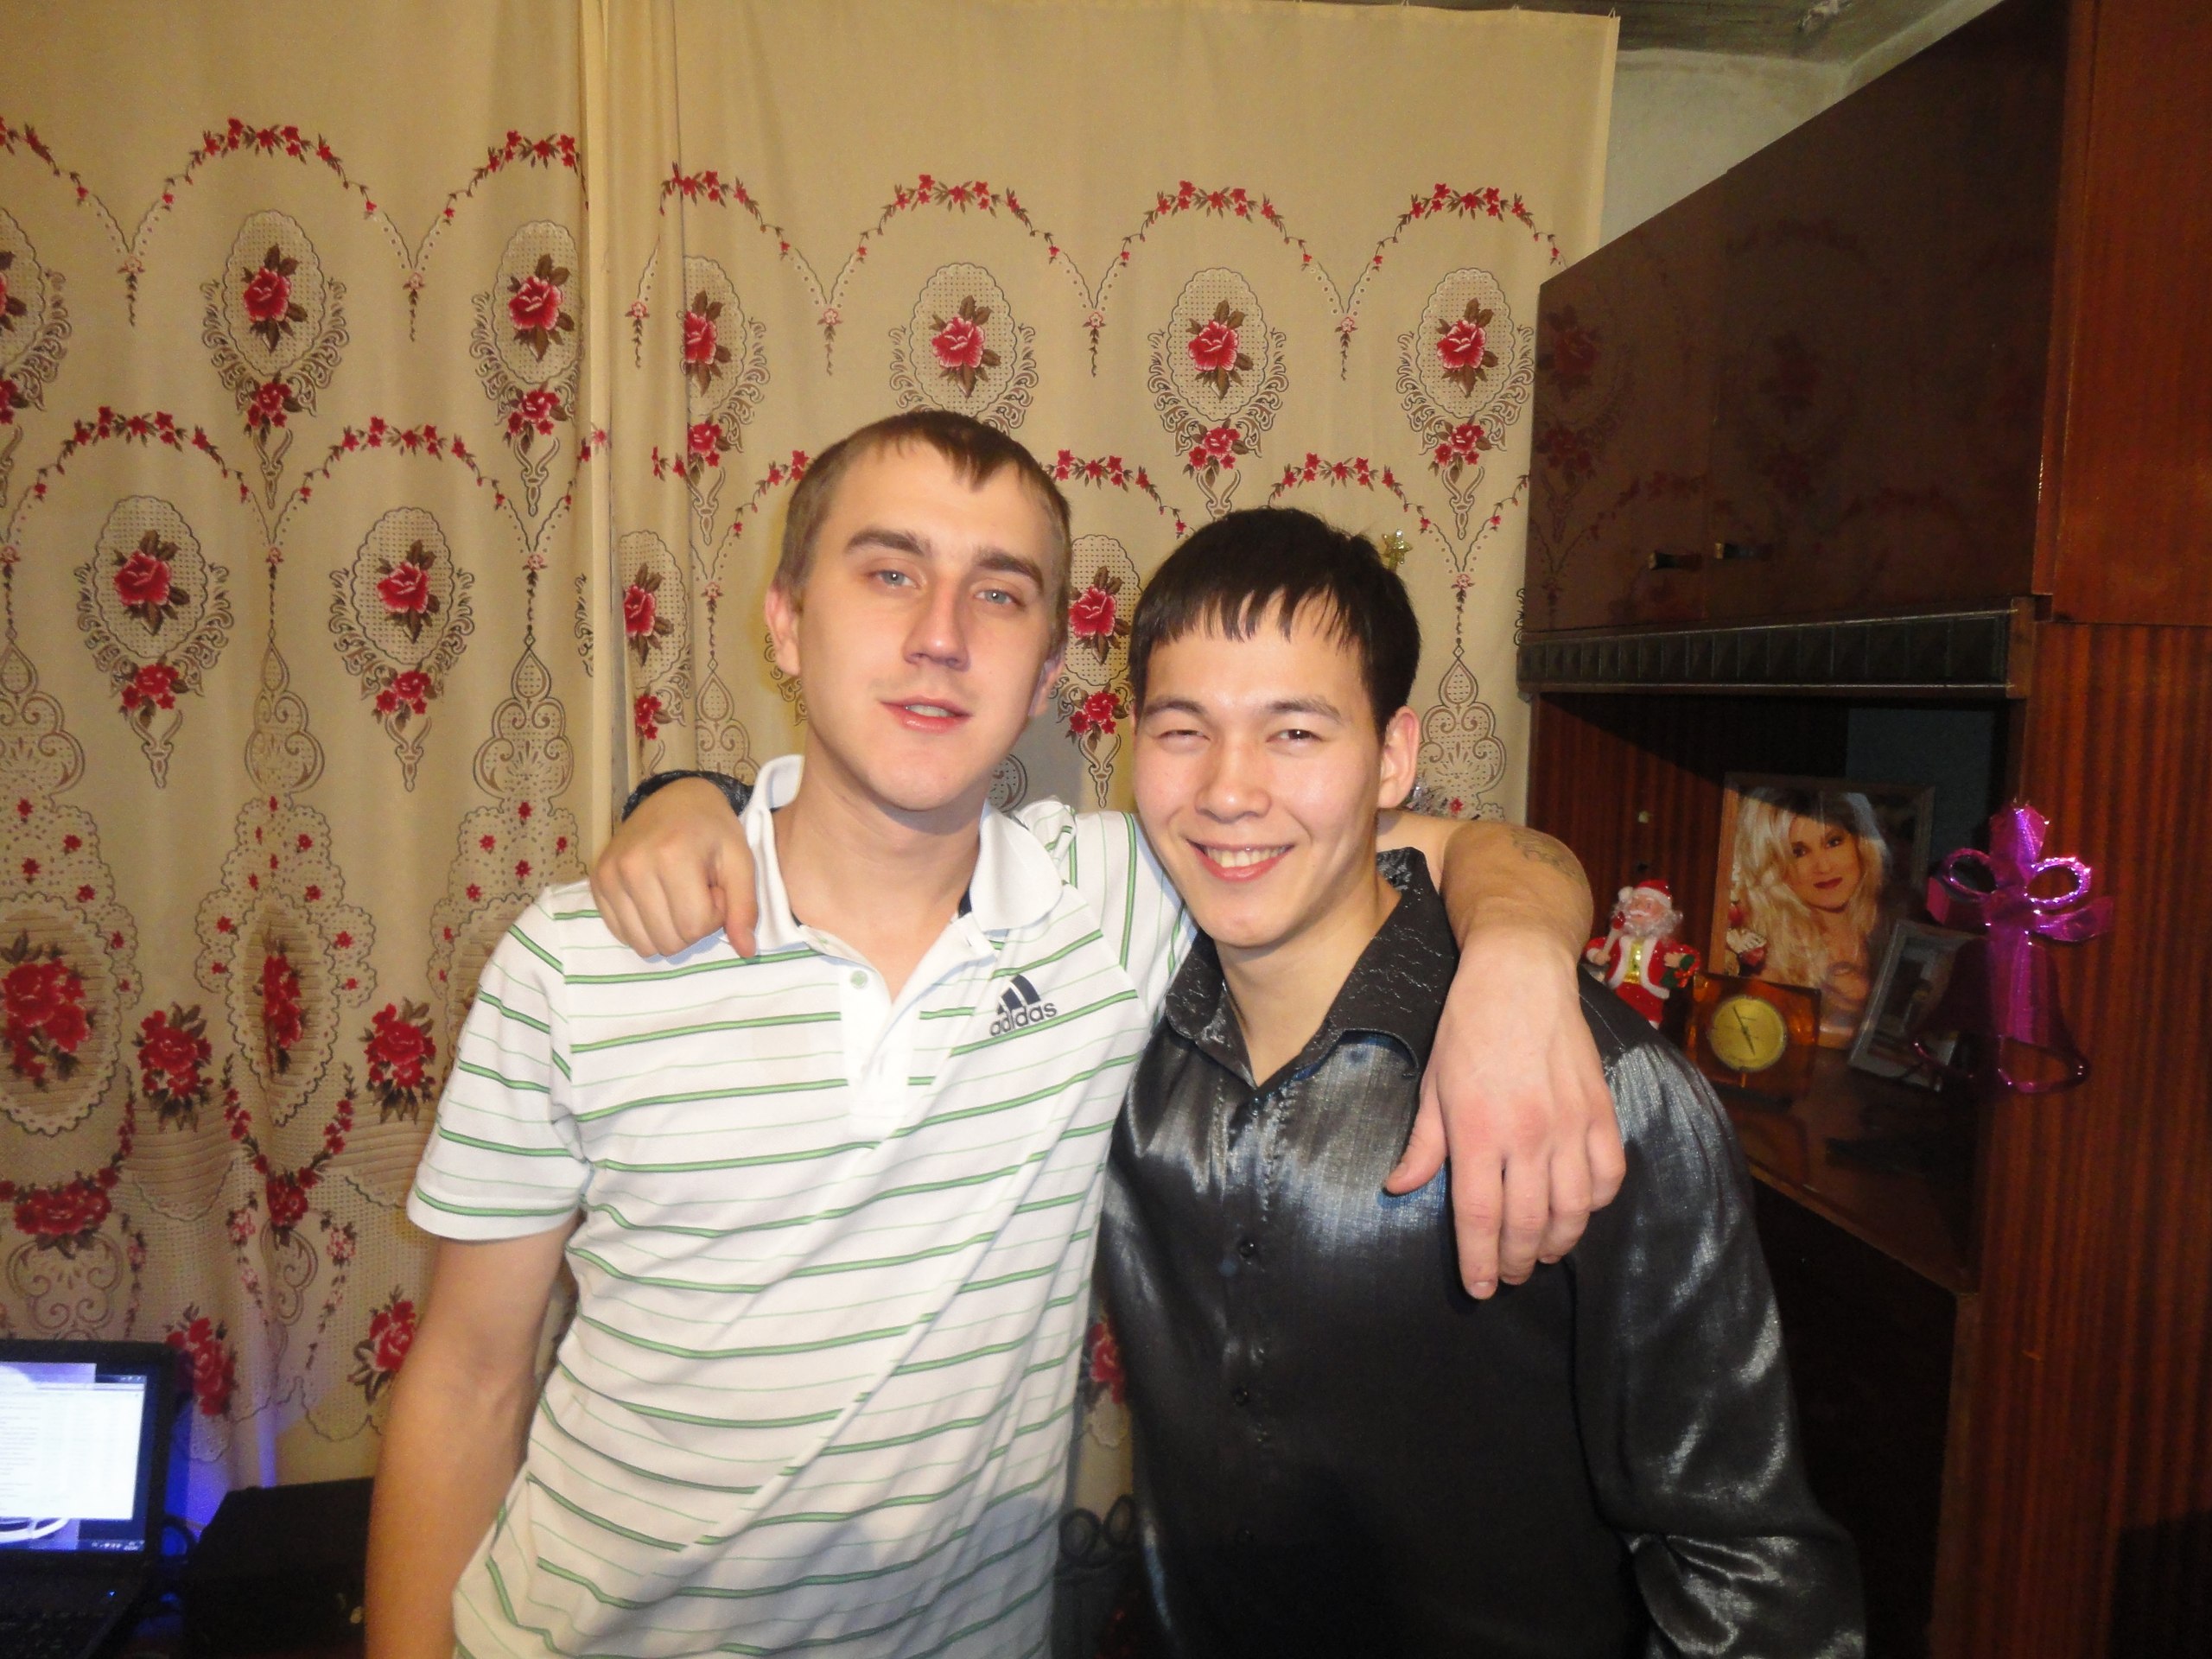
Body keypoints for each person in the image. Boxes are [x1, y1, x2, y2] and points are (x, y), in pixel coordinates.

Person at [367, 413, 1614, 1659]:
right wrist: (688, 798)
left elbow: (1479, 848)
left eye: (1000, 593)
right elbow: (468, 1381)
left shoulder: (1129, 896)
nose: (940, 635)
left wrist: (1516, 961)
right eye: (890, 572)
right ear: (786, 621)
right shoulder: (578, 959)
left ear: (1047, 672)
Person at [1101, 511, 1863, 1656]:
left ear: (1392, 757)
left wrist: (1516, 940)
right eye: (1182, 730)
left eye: (1295, 732)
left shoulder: (1596, 1083)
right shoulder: (1106, 1020)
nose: (1229, 789)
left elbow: (1744, 1565)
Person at [1723, 785, 1895, 1046]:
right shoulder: (1768, 955)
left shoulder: (1892, 923)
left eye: (1833, 842)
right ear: (1772, 864)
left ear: (1860, 845)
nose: (1823, 866)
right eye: (1798, 852)